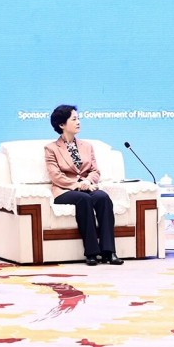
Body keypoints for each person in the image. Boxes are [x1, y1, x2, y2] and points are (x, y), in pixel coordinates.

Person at [44, 105, 123, 266]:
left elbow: (95, 171)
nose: (78, 122)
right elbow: (56, 176)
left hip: (88, 186)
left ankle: (109, 252)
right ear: (62, 124)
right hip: (65, 190)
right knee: (83, 199)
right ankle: (91, 253)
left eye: (78, 118)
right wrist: (78, 185)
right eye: (74, 119)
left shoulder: (87, 146)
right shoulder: (51, 149)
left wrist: (88, 181)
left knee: (103, 197)